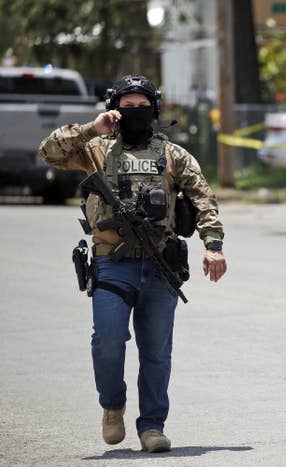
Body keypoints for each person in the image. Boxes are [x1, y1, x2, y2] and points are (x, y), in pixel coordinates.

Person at [39, 75, 227, 452]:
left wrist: (214, 245)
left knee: (156, 352)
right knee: (108, 341)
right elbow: (48, 152)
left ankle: (152, 427)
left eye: (143, 107)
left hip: (160, 265)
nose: (136, 113)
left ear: (154, 109)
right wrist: (94, 127)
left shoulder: (173, 154)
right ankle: (112, 406)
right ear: (115, 108)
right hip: (112, 262)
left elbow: (203, 199)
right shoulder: (96, 149)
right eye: (128, 106)